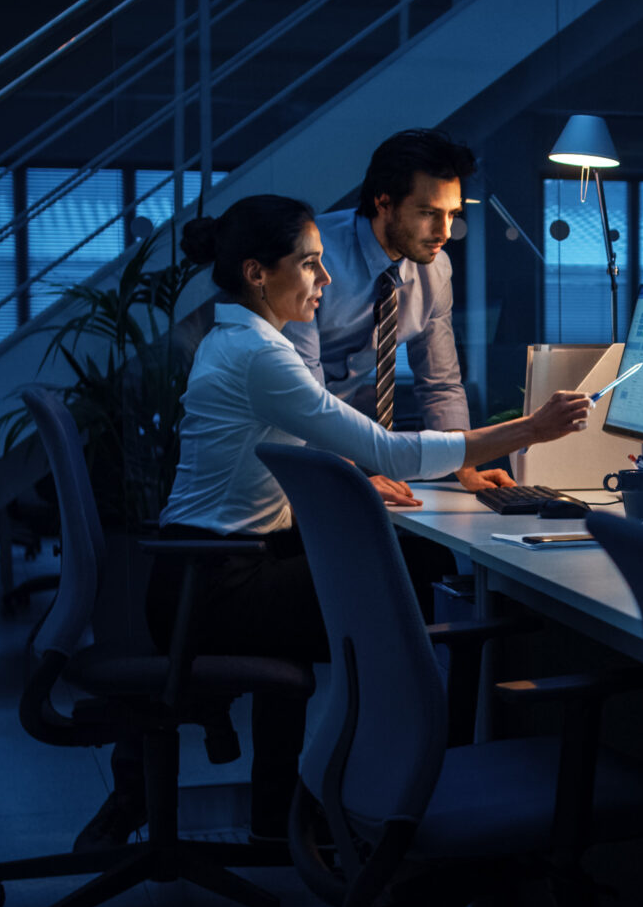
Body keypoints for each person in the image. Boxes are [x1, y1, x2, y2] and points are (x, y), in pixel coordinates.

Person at [81, 193, 590, 850]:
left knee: (389, 576)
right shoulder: (260, 356)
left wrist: (357, 479)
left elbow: (302, 456)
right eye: (310, 264)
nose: (325, 279)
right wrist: (530, 429)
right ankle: (394, 804)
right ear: (259, 273)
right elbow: (388, 448)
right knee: (402, 601)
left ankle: (283, 812)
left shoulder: (238, 338)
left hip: (195, 576)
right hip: (212, 587)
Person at [289, 128, 514, 494]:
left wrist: (466, 467)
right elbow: (306, 394)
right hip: (280, 440)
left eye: (451, 214)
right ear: (383, 202)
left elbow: (440, 384)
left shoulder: (436, 269)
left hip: (338, 439)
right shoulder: (314, 256)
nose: (444, 232)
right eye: (427, 213)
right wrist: (354, 476)